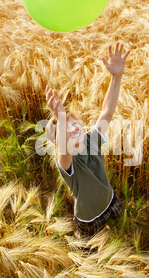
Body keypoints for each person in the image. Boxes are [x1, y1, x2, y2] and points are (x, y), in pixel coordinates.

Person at [45, 42, 131, 238]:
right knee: (88, 246)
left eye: (74, 123)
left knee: (122, 226)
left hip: (110, 200)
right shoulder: (67, 163)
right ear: (59, 142)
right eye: (65, 129)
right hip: (89, 218)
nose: (73, 128)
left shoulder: (92, 140)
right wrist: (60, 116)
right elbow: (65, 149)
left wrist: (116, 77)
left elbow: (107, 112)